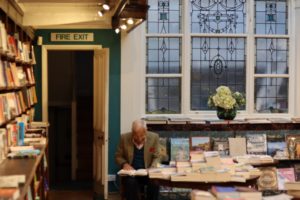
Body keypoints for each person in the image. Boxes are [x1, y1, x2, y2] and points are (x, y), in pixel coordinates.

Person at [115, 119, 160, 200]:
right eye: (136, 136)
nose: (139, 139)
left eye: (142, 136)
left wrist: (153, 166)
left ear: (146, 131)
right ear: (132, 132)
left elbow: (157, 156)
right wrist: (125, 164)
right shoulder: (124, 138)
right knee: (130, 183)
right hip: (132, 173)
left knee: (155, 183)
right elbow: (118, 156)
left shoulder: (154, 137)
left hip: (147, 172)